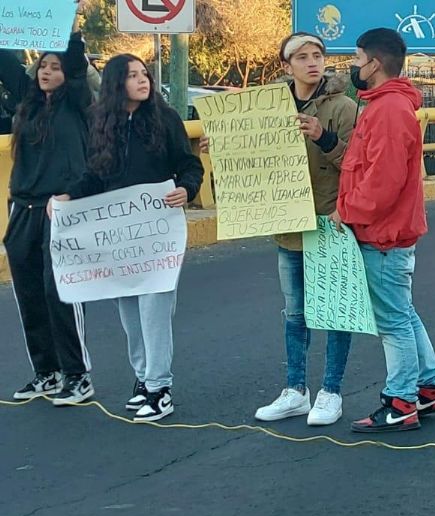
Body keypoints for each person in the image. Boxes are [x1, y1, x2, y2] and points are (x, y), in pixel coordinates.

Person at [55, 54, 204, 422]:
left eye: (145, 74)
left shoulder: (165, 118)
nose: (143, 80)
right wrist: (67, 197)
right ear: (115, 82)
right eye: (133, 75)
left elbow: (189, 164)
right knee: (129, 312)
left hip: (159, 232)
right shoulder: (101, 123)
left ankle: (160, 388)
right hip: (118, 240)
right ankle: (143, 379)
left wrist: (186, 188)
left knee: (154, 311)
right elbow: (94, 175)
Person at [237, 33, 358, 426]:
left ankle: (331, 391)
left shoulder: (344, 107)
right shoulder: (267, 108)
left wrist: (324, 138)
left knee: (336, 312)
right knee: (295, 313)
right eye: (302, 56)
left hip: (330, 222)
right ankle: (295, 390)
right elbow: (251, 157)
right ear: (287, 66)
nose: (312, 62)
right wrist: (224, 148)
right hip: (288, 223)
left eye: (317, 55)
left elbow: (357, 167)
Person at [336, 28, 435, 433]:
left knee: (392, 323)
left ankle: (400, 401)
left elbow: (383, 180)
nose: (354, 65)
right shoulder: (389, 106)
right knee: (403, 313)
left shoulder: (387, 110)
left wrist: (346, 210)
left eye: (357, 57)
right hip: (391, 232)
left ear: (374, 63)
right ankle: (428, 387)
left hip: (383, 234)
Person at [2, 19, 95, 405]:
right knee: (28, 293)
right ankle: (47, 372)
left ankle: (78, 374)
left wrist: (69, 28)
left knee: (58, 291)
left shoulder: (77, 100)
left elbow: (75, 62)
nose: (48, 72)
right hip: (23, 207)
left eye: (55, 67)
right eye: (43, 65)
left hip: (59, 208)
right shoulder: (26, 101)